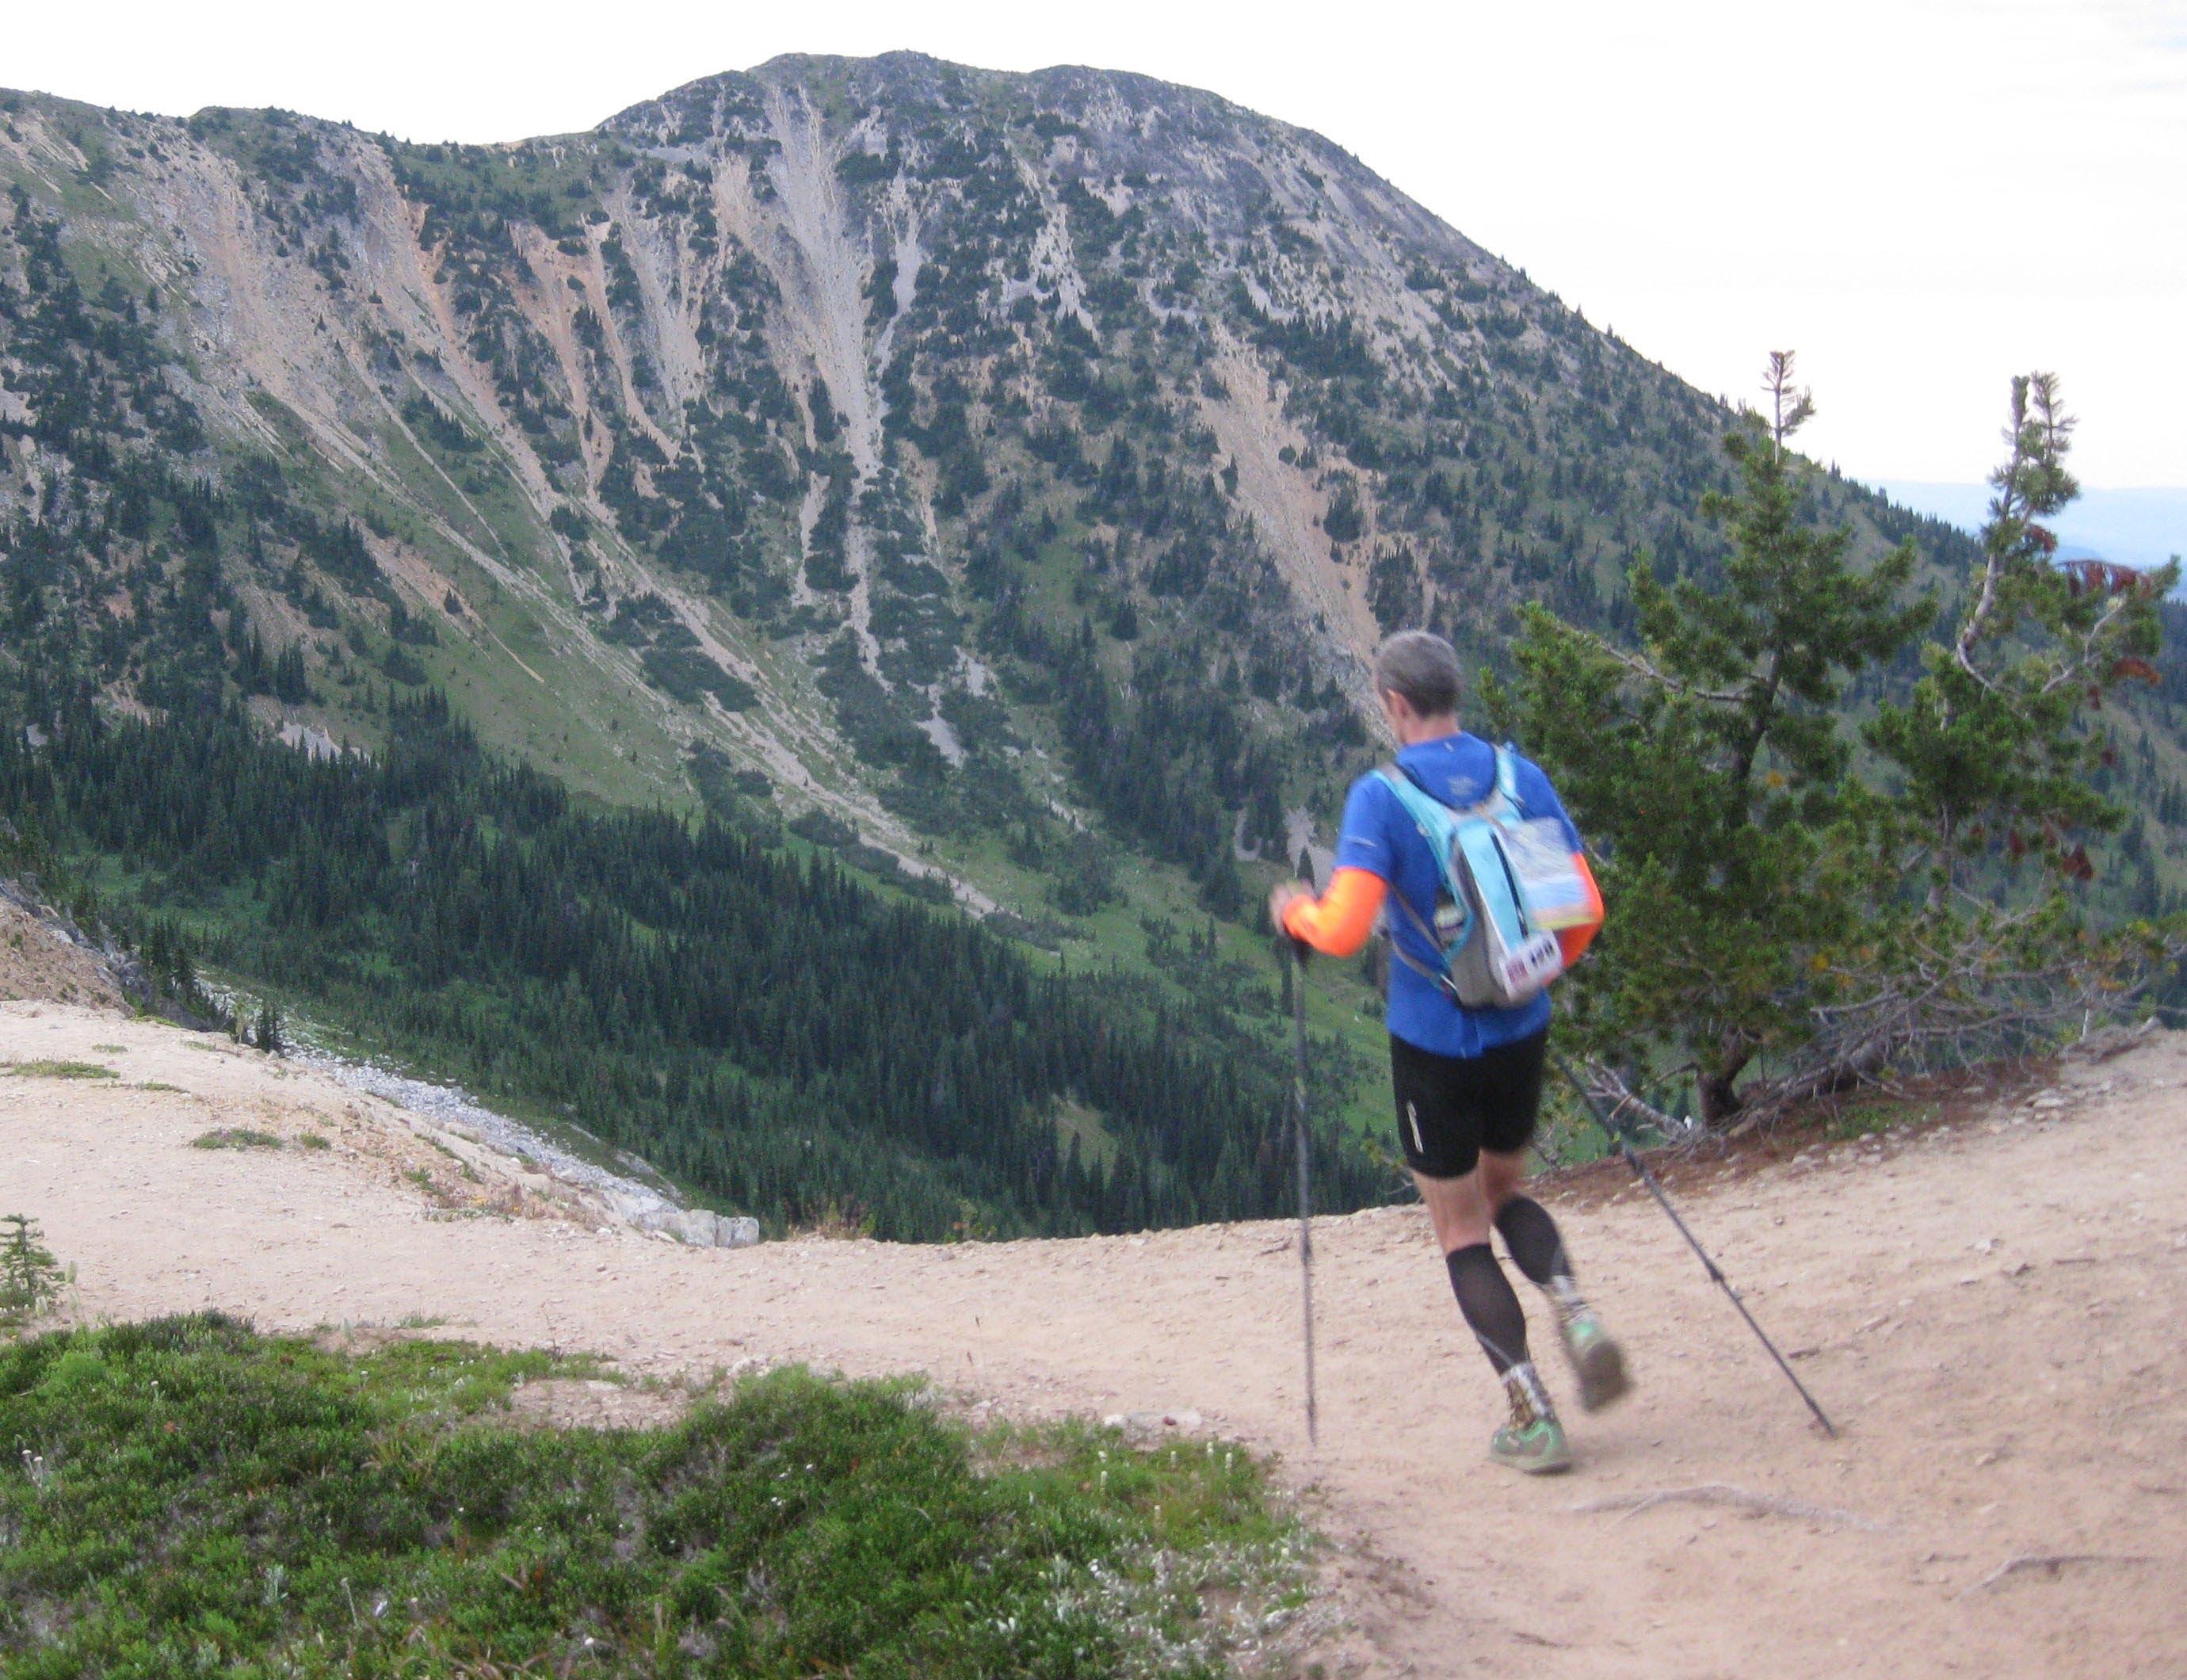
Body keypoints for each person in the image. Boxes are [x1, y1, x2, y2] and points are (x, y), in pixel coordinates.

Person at [1269, 629, 1628, 1474]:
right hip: (1521, 1027)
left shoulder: (1383, 797)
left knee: (1460, 1226)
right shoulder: (1518, 776)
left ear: (1395, 703)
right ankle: (1576, 1310)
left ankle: (1533, 1414)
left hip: (1432, 1039)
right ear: (1454, 693)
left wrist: (1295, 914)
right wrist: (1529, 977)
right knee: (1507, 1192)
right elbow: (1586, 909)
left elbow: (1348, 926)